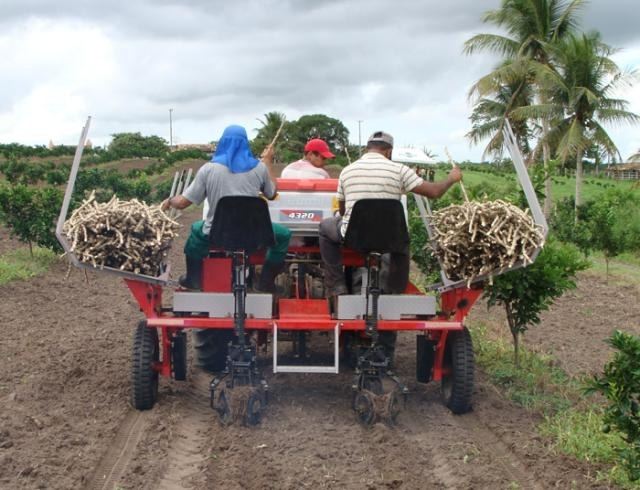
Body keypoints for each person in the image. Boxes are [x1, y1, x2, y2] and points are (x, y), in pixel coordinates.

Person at [319, 130, 462, 297]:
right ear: (389, 151)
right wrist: (451, 178)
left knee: (324, 228)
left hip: (353, 237)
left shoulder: (347, 171)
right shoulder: (400, 170)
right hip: (389, 239)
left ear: (367, 149)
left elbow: (343, 212)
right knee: (403, 240)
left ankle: (337, 286)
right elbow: (434, 192)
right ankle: (395, 289)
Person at [162, 124, 291, 292]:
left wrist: (170, 200)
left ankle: (193, 280)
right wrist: (267, 163)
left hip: (217, 233)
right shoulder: (259, 168)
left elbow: (183, 203)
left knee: (196, 230)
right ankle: (265, 283)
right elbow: (272, 194)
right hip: (254, 233)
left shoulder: (208, 169)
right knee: (284, 235)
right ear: (246, 144)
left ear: (222, 143)